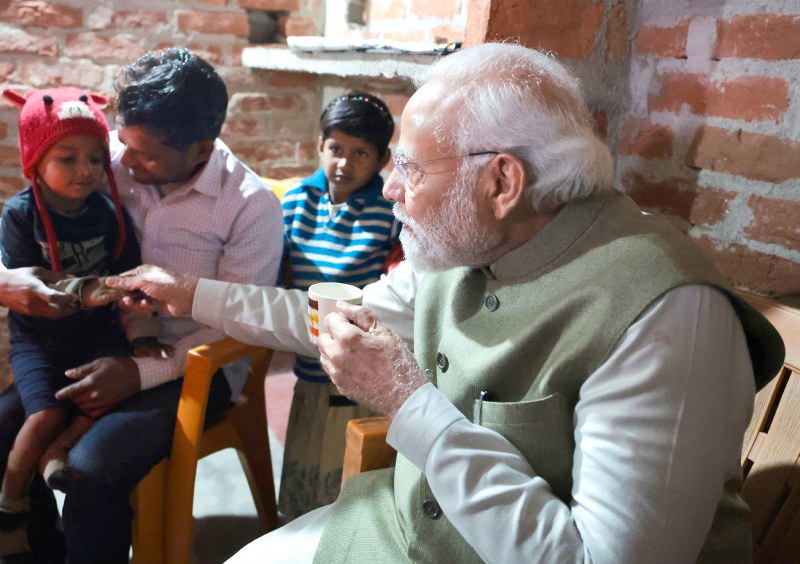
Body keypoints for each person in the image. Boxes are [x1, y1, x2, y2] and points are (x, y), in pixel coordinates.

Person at [108, 42, 784, 563]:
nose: (391, 191)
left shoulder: (665, 318)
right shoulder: (465, 245)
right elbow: (329, 317)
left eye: (408, 167)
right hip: (409, 523)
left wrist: (406, 400)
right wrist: (191, 292)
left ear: (501, 180)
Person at [0, 47, 283, 563]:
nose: (120, 161)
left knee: (91, 466)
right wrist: (5, 281)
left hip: (196, 364)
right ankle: (43, 550)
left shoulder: (249, 206)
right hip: (101, 337)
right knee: (4, 427)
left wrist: (138, 372)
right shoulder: (106, 157)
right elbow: (27, 223)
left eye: (144, 154)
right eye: (122, 142)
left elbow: (244, 324)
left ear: (201, 149)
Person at [0, 86, 145, 558]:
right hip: (39, 339)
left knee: (104, 395)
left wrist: (128, 295)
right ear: (36, 162)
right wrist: (85, 290)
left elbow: (125, 273)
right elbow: (27, 279)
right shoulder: (20, 215)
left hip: (97, 333)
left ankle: (57, 454)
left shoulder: (109, 212)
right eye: (67, 158)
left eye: (95, 159)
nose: (86, 170)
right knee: (40, 414)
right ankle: (11, 505)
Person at [278, 90, 400, 520]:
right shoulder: (293, 203)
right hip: (310, 367)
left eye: (360, 153)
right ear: (319, 146)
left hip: (360, 370)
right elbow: (279, 281)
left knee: (348, 490)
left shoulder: (390, 212)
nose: (344, 163)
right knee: (302, 479)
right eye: (335, 149)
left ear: (382, 158)